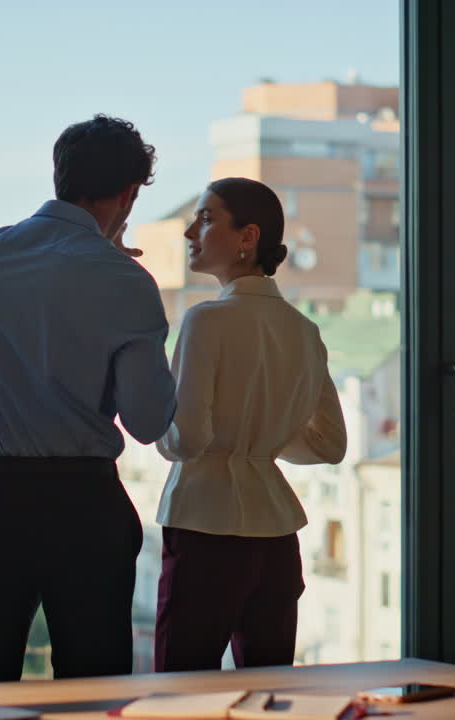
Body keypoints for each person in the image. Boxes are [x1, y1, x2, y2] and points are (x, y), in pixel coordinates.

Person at [0, 114, 176, 683]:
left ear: (59, 176)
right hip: (83, 505)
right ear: (128, 194)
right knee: (93, 690)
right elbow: (148, 422)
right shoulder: (124, 280)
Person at [152, 177, 347, 672]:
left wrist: (156, 420)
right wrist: (261, 441)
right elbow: (330, 445)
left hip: (204, 528)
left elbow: (187, 439)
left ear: (248, 238)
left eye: (207, 217)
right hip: (277, 535)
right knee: (269, 691)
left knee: (180, 692)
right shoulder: (304, 330)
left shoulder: (205, 321)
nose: (189, 230)